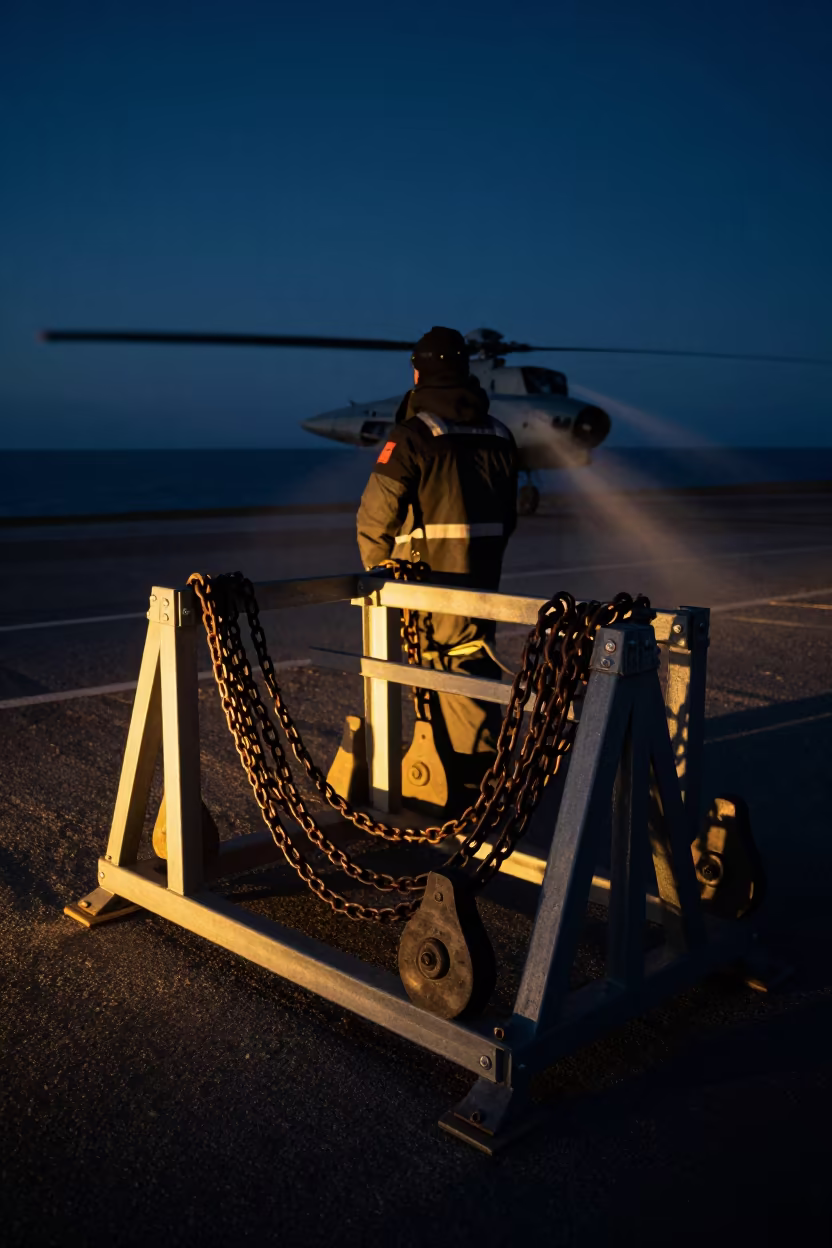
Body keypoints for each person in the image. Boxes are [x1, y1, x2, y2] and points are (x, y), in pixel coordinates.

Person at [356, 325, 518, 784]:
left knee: (445, 664)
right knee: (474, 654)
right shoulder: (501, 434)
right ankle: (472, 767)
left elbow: (374, 517)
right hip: (484, 572)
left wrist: (377, 575)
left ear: (417, 373)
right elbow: (508, 514)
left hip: (430, 579)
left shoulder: (413, 436)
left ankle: (468, 778)